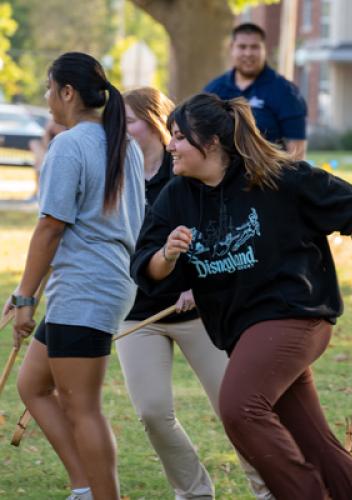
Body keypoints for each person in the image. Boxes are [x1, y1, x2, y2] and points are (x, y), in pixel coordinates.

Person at [130, 92, 352, 499]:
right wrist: (167, 254)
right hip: (245, 331)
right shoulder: (178, 195)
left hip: (296, 315)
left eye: (178, 137)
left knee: (239, 408)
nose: (170, 145)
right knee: (314, 441)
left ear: (210, 143)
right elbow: (146, 267)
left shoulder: (277, 177)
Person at [1, 52, 145, 500]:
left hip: (88, 288)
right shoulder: (124, 142)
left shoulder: (69, 143)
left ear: (68, 92)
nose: (46, 99)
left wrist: (26, 298)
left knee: (82, 407)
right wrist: (32, 292)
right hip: (101, 285)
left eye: (49, 88)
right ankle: (84, 487)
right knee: (32, 385)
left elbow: (50, 226)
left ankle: (104, 496)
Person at [119, 86, 271, 500]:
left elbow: (219, 227)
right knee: (152, 412)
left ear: (153, 122)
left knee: (235, 411)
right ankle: (193, 491)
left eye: (128, 120)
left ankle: (269, 489)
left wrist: (195, 282)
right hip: (137, 310)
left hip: (198, 312)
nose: (121, 129)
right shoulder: (117, 175)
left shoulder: (189, 170)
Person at [204, 22, 307, 160]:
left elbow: (296, 149)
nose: (248, 53)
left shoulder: (286, 91)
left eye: (255, 47)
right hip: (224, 177)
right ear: (231, 49)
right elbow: (203, 136)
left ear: (264, 50)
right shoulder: (214, 89)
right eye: (242, 47)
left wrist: (288, 179)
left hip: (269, 175)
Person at [29, 119, 66, 200]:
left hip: (56, 159)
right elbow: (46, 146)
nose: (54, 126)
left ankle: (38, 192)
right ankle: (39, 192)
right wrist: (47, 132)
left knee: (40, 163)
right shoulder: (50, 135)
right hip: (48, 158)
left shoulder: (65, 136)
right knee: (35, 145)